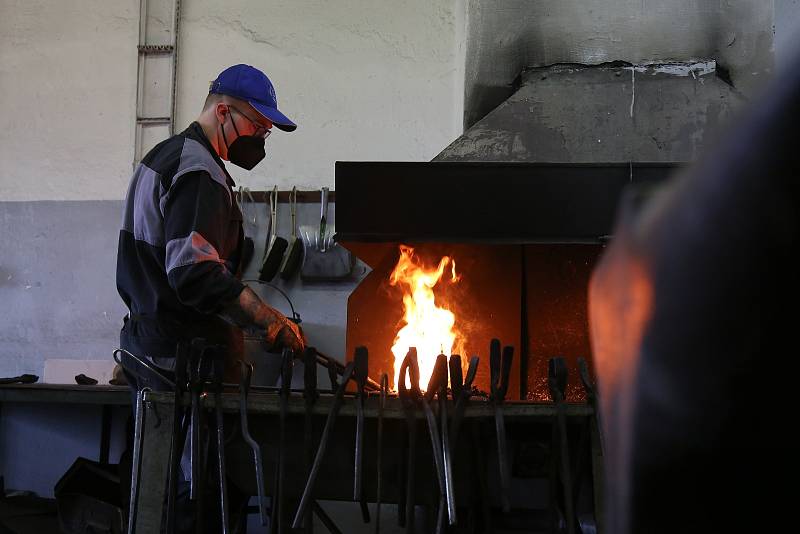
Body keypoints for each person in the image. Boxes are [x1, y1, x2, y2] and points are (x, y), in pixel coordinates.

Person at [116, 64, 305, 532]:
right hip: (179, 364)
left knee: (155, 490)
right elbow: (194, 272)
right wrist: (265, 319)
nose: (261, 138)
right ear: (223, 112)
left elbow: (154, 266)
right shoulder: (198, 170)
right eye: (257, 126)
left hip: (154, 351)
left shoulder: (165, 157)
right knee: (190, 498)